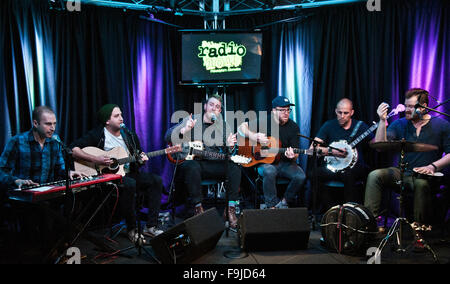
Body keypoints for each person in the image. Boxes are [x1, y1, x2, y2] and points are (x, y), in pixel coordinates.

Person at [70, 104, 164, 243]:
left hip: (127, 173)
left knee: (156, 180)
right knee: (130, 184)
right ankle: (132, 229)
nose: (121, 118)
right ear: (107, 121)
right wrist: (97, 159)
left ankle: (151, 226)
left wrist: (141, 161)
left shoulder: (129, 135)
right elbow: (74, 150)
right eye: (116, 116)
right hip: (107, 177)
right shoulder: (98, 134)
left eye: (121, 115)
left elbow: (137, 158)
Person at [364, 88, 450, 235]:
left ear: (423, 107)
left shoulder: (442, 125)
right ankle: (369, 224)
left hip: (427, 175)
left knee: (421, 183)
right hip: (403, 172)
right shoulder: (400, 124)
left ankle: (419, 232)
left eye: (411, 107)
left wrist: (432, 166)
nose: (406, 110)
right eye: (406, 105)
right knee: (375, 175)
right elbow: (380, 146)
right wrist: (382, 120)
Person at [0, 106, 85, 250]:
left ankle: (63, 245)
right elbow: (2, 171)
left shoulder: (55, 142)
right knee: (44, 210)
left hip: (47, 193)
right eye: (48, 124)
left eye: (54, 124)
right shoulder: (17, 142)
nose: (52, 128)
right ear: (35, 123)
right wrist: (17, 180)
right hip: (24, 196)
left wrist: (69, 173)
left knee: (76, 198)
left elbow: (60, 168)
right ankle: (49, 251)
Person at [164, 95, 241, 229]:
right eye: (211, 104)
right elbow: (167, 136)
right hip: (194, 165)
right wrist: (184, 130)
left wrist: (229, 146)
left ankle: (230, 209)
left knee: (234, 166)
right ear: (205, 106)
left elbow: (228, 153)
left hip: (212, 163)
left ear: (219, 111)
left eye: (217, 107)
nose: (214, 108)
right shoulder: (192, 120)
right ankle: (198, 209)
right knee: (191, 166)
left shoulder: (223, 125)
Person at [238, 96, 306, 209]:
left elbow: (295, 154)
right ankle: (272, 206)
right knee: (269, 170)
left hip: (285, 163)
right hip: (265, 163)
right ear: (274, 111)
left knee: (300, 176)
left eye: (288, 110)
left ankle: (284, 202)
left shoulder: (293, 127)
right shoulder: (264, 121)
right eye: (282, 110)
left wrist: (292, 156)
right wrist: (254, 136)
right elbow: (241, 128)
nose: (286, 113)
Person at [311, 98, 373, 210]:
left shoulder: (360, 126)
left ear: (352, 112)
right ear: (336, 111)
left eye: (346, 113)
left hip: (355, 167)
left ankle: (351, 212)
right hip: (334, 167)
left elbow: (376, 145)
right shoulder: (329, 125)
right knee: (314, 174)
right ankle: (331, 210)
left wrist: (382, 123)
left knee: (348, 175)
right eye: (339, 112)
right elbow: (313, 149)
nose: (342, 116)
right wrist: (331, 151)